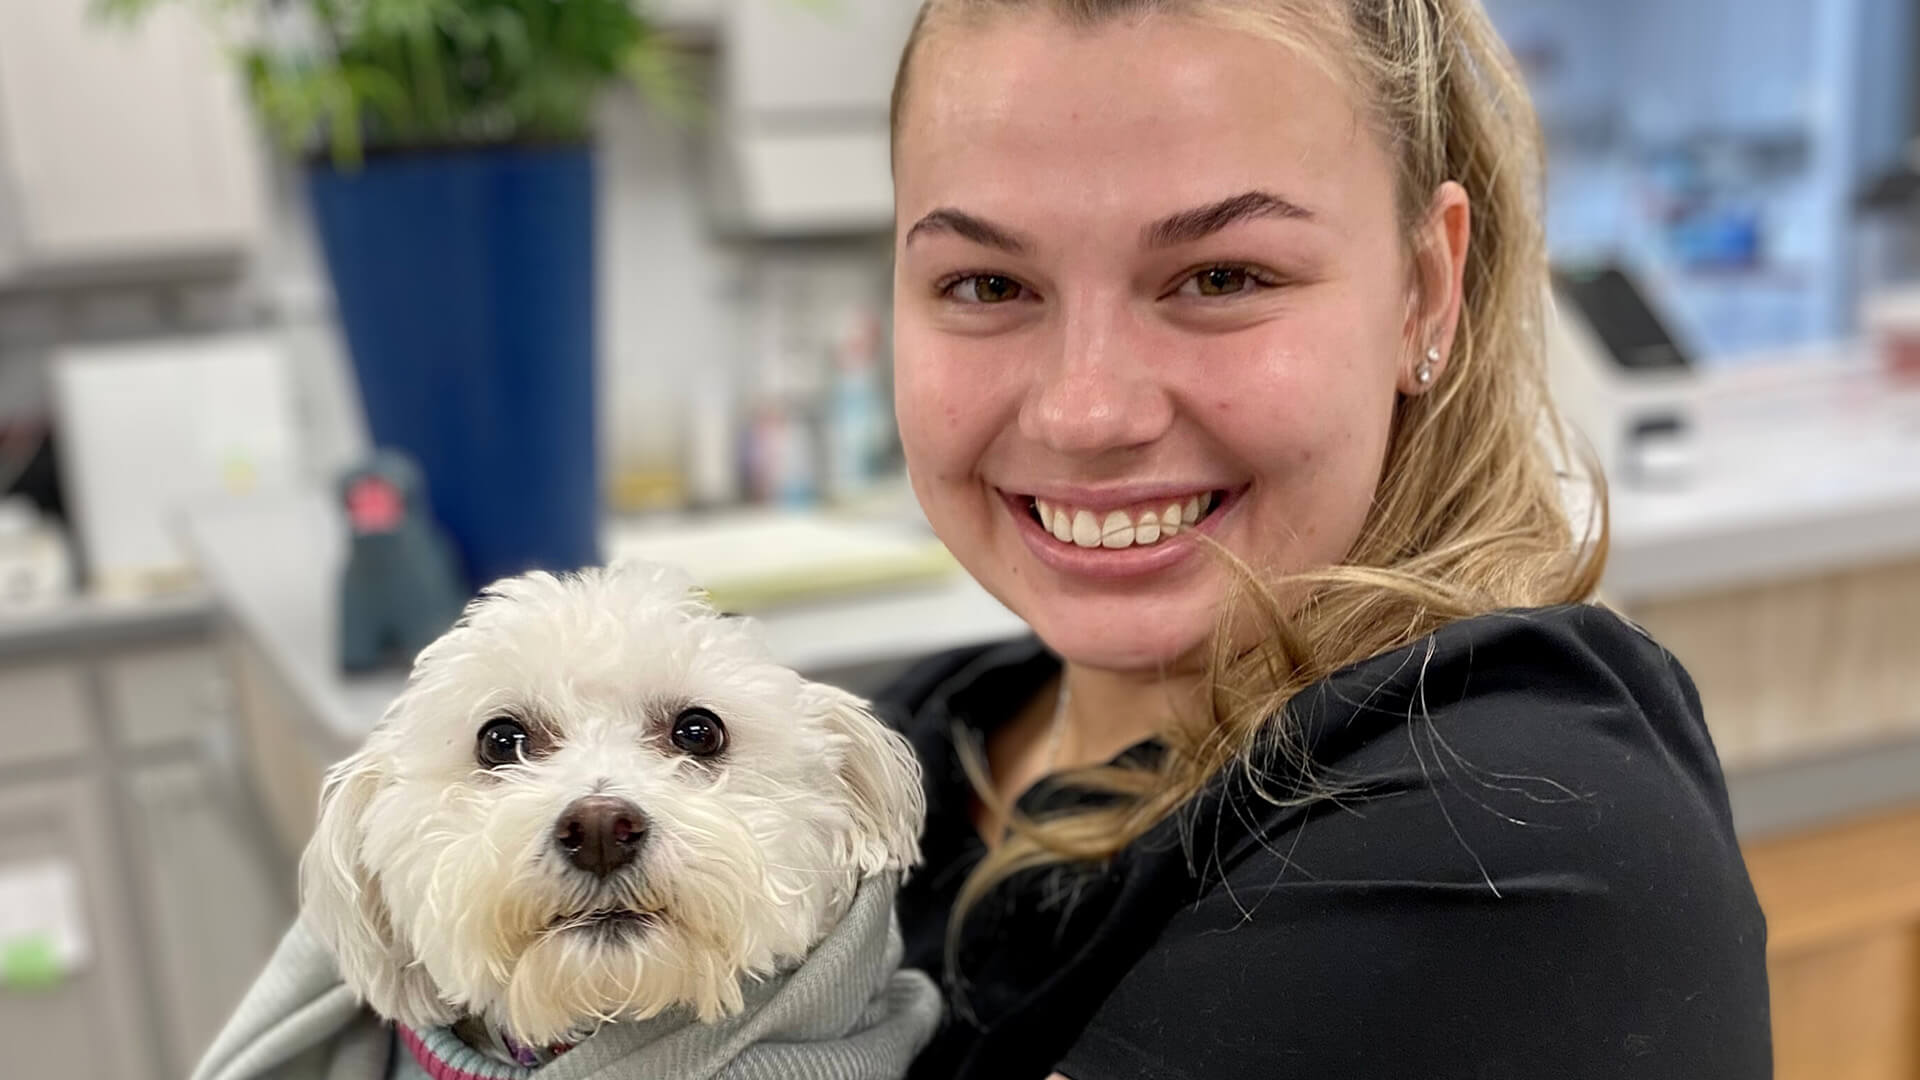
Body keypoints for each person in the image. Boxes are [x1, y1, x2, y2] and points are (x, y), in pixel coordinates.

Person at [880, 1, 1771, 1078]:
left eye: (1223, 278)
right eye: (987, 285)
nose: (1086, 412)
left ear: (1425, 294)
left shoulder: (1504, 825)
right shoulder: (920, 747)